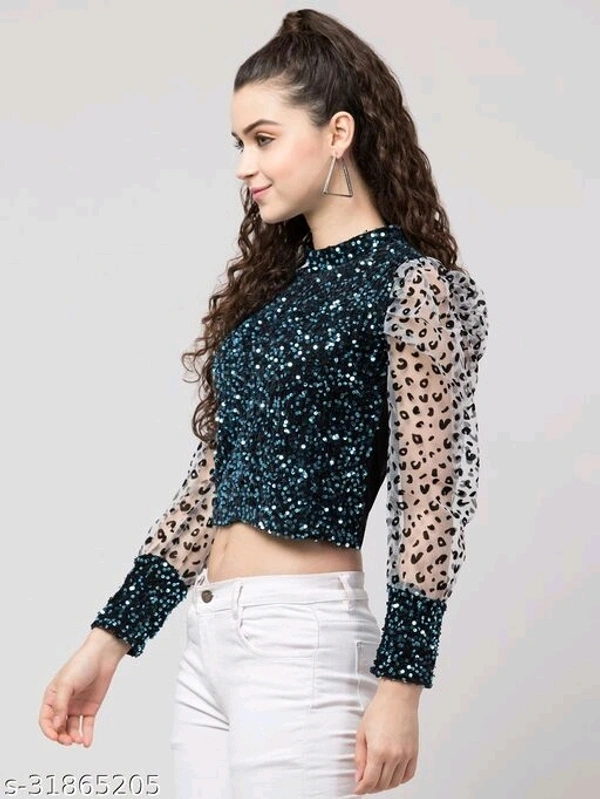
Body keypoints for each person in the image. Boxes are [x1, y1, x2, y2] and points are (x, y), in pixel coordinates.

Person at [39, 8, 489, 798]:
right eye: (238, 143)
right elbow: (210, 484)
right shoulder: (273, 295)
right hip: (212, 639)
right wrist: (109, 639)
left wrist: (402, 682)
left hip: (304, 641)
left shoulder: (410, 286)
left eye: (264, 138)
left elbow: (433, 497)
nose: (245, 164)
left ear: (338, 132)